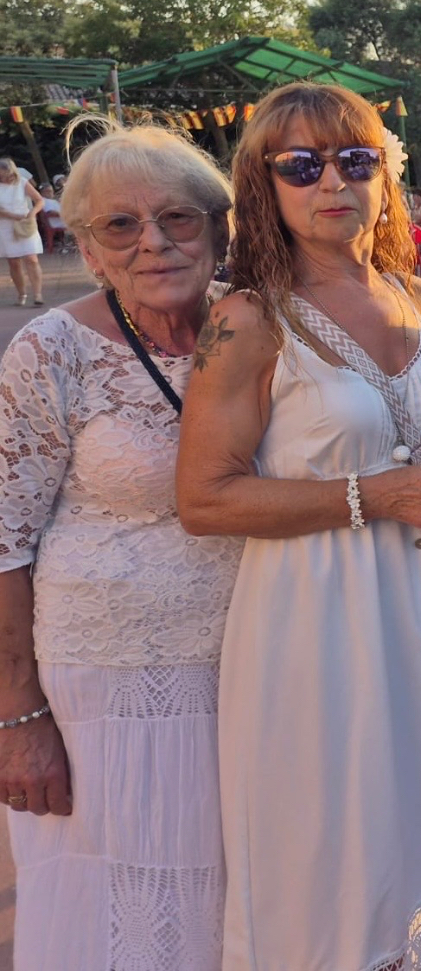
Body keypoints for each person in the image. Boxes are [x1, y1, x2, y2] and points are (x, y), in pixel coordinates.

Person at [174, 81, 421, 970]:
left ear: (387, 175)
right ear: (263, 186)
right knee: (337, 867)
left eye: (356, 159)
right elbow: (205, 498)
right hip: (313, 635)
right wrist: (376, 495)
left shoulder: (407, 294)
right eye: (301, 166)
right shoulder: (247, 321)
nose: (331, 183)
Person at [0, 119, 242, 971]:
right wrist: (18, 714)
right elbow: (3, 542)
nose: (155, 242)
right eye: (121, 226)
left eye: (178, 218)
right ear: (89, 246)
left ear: (219, 226)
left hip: (250, 677)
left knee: (232, 905)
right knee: (119, 916)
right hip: (103, 691)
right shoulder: (50, 351)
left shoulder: (260, 330)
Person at [0, 157, 46, 306]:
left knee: (32, 259)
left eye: (5, 173)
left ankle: (38, 294)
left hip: (26, 224)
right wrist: (13, 216)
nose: (4, 176)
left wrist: (32, 213)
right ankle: (22, 294)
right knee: (14, 262)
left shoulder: (22, 182)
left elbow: (40, 200)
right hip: (6, 225)